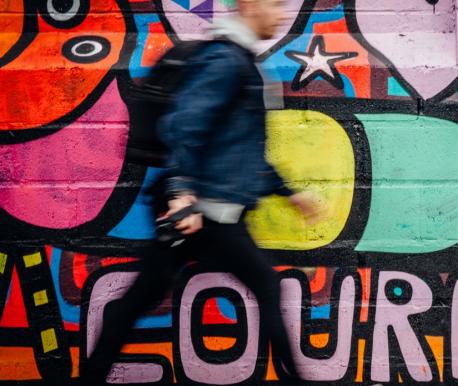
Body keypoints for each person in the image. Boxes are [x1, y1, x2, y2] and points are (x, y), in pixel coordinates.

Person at [79, 0, 320, 384]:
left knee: (140, 299)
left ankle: (90, 376)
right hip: (203, 212)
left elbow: (241, 149)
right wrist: (180, 191)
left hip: (210, 212)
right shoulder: (226, 61)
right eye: (274, 4)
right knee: (266, 285)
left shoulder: (239, 61)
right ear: (249, 5)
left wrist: (287, 192)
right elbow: (183, 124)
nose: (281, 14)